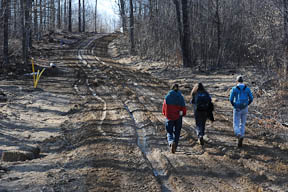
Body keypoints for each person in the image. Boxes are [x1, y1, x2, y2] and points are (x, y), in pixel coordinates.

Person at [229, 75, 253, 148]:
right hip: (245, 107)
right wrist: (247, 104)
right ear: (243, 81)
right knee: (242, 123)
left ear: (237, 81)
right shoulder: (247, 88)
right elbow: (251, 98)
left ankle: (238, 134)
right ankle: (242, 135)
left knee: (235, 123)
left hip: (237, 108)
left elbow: (231, 99)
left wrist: (234, 105)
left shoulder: (234, 89)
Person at [162, 84, 187, 153]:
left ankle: (171, 142)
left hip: (169, 117)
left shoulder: (167, 96)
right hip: (178, 117)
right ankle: (175, 146)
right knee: (177, 132)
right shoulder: (180, 97)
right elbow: (183, 108)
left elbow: (164, 107)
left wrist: (165, 113)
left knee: (169, 131)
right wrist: (183, 114)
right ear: (178, 89)